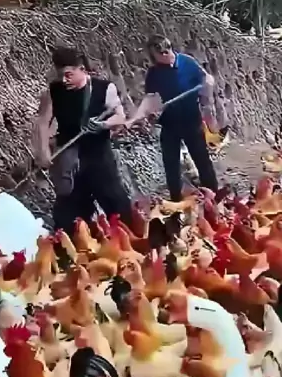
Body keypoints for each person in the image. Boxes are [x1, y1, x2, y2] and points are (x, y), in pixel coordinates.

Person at [32, 46, 133, 235]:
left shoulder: (104, 88)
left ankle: (131, 239)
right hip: (70, 159)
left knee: (116, 204)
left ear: (82, 69)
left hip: (99, 156)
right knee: (68, 215)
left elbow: (120, 117)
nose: (64, 80)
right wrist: (43, 152)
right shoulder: (53, 92)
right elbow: (42, 123)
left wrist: (103, 125)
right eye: (61, 75)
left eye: (68, 75)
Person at [125, 35, 218, 201]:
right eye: (156, 56)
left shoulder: (188, 63)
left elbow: (206, 80)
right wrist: (134, 118)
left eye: (163, 53)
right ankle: (176, 201)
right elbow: (150, 99)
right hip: (169, 124)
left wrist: (208, 83)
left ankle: (213, 197)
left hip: (191, 121)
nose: (161, 58)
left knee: (202, 160)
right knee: (171, 165)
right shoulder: (154, 73)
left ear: (168, 50)